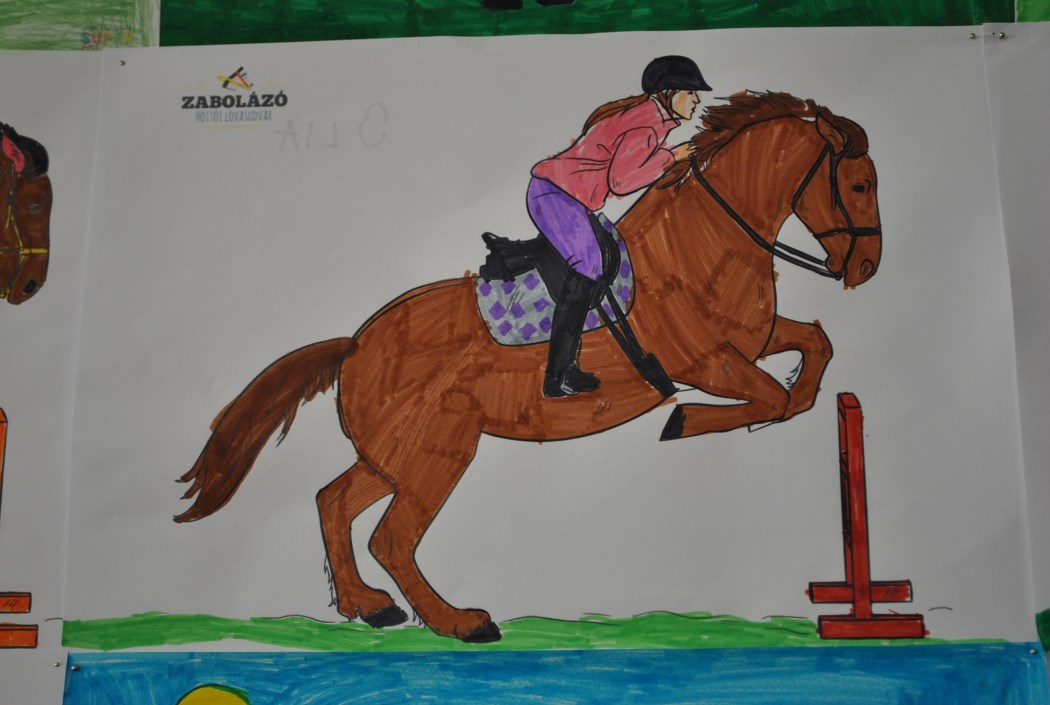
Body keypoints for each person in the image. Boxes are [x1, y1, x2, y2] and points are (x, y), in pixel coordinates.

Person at [529, 55, 712, 397]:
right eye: (690, 92)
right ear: (668, 93)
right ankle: (558, 375)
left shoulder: (652, 120)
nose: (697, 100)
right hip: (555, 195)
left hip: (570, 198)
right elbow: (622, 181)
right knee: (590, 265)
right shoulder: (646, 125)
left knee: (605, 257)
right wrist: (671, 157)